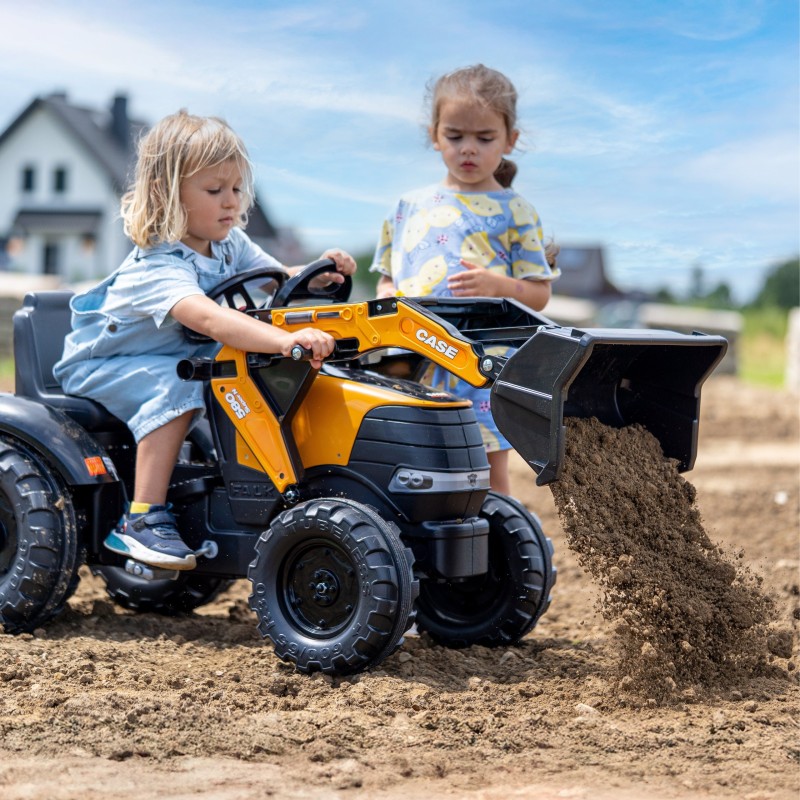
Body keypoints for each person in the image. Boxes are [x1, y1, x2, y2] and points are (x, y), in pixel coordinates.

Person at [54, 110, 356, 571]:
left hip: (170, 357)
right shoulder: (157, 265)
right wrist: (285, 341)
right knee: (179, 385)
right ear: (167, 193)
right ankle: (141, 518)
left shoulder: (229, 244)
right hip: (105, 364)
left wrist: (319, 274)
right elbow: (211, 319)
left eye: (236, 189)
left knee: (237, 379)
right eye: (214, 191)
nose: (230, 202)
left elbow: (277, 279)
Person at [371, 64, 559, 496]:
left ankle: (499, 552)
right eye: (455, 136)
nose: (467, 149)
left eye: (484, 138)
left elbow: (540, 294)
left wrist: (500, 286)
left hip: (484, 365)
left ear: (510, 139)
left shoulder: (516, 211)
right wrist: (387, 302)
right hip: (414, 361)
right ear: (434, 134)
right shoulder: (407, 206)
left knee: (489, 472)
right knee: (416, 464)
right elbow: (387, 280)